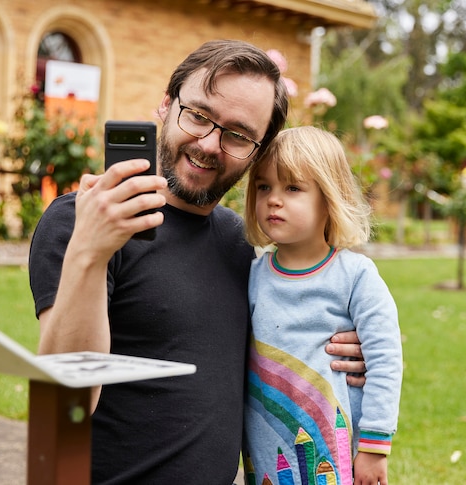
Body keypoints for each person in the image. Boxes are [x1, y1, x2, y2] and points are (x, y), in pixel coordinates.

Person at [28, 39, 366, 484]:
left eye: (238, 134)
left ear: (257, 151)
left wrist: (344, 346)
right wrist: (91, 251)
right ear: (166, 105)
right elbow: (60, 407)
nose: (209, 144)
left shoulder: (239, 243)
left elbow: (273, 339)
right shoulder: (77, 220)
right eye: (199, 116)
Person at [241, 126, 403, 485]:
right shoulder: (252, 275)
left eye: (293, 188)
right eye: (264, 186)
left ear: (329, 198)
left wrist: (376, 446)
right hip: (266, 456)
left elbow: (385, 358)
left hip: (335, 458)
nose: (273, 199)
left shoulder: (355, 276)